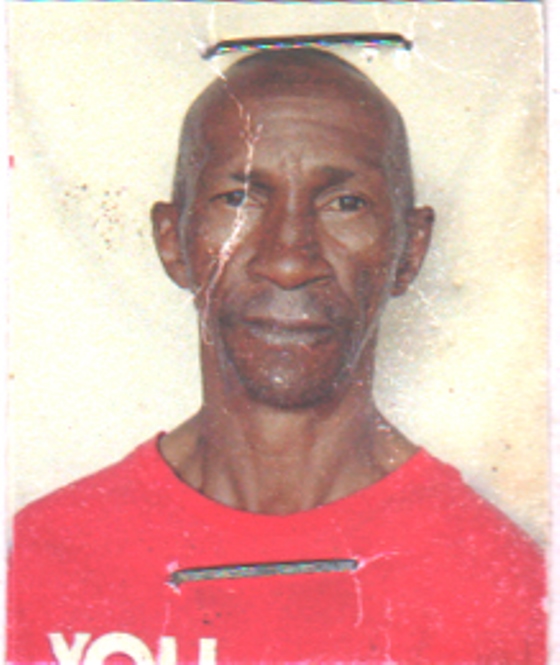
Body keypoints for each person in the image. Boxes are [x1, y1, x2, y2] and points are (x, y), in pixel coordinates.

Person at [8, 48, 545, 665]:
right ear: (173, 241)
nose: (289, 260)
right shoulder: (44, 559)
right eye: (239, 198)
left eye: (345, 203)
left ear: (410, 249)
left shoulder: (502, 585)